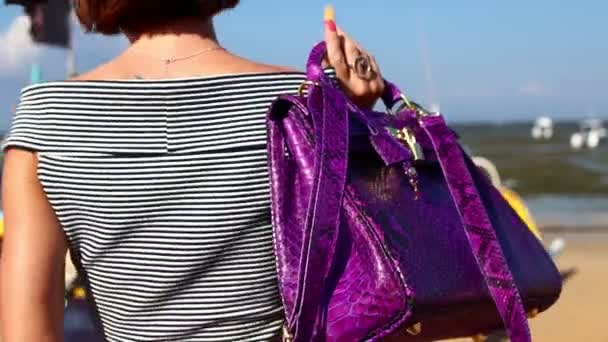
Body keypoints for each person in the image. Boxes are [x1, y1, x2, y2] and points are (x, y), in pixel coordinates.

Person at [0, 1, 387, 341]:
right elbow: (372, 272)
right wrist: (358, 116)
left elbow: (26, 332)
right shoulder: (304, 101)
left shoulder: (46, 120)